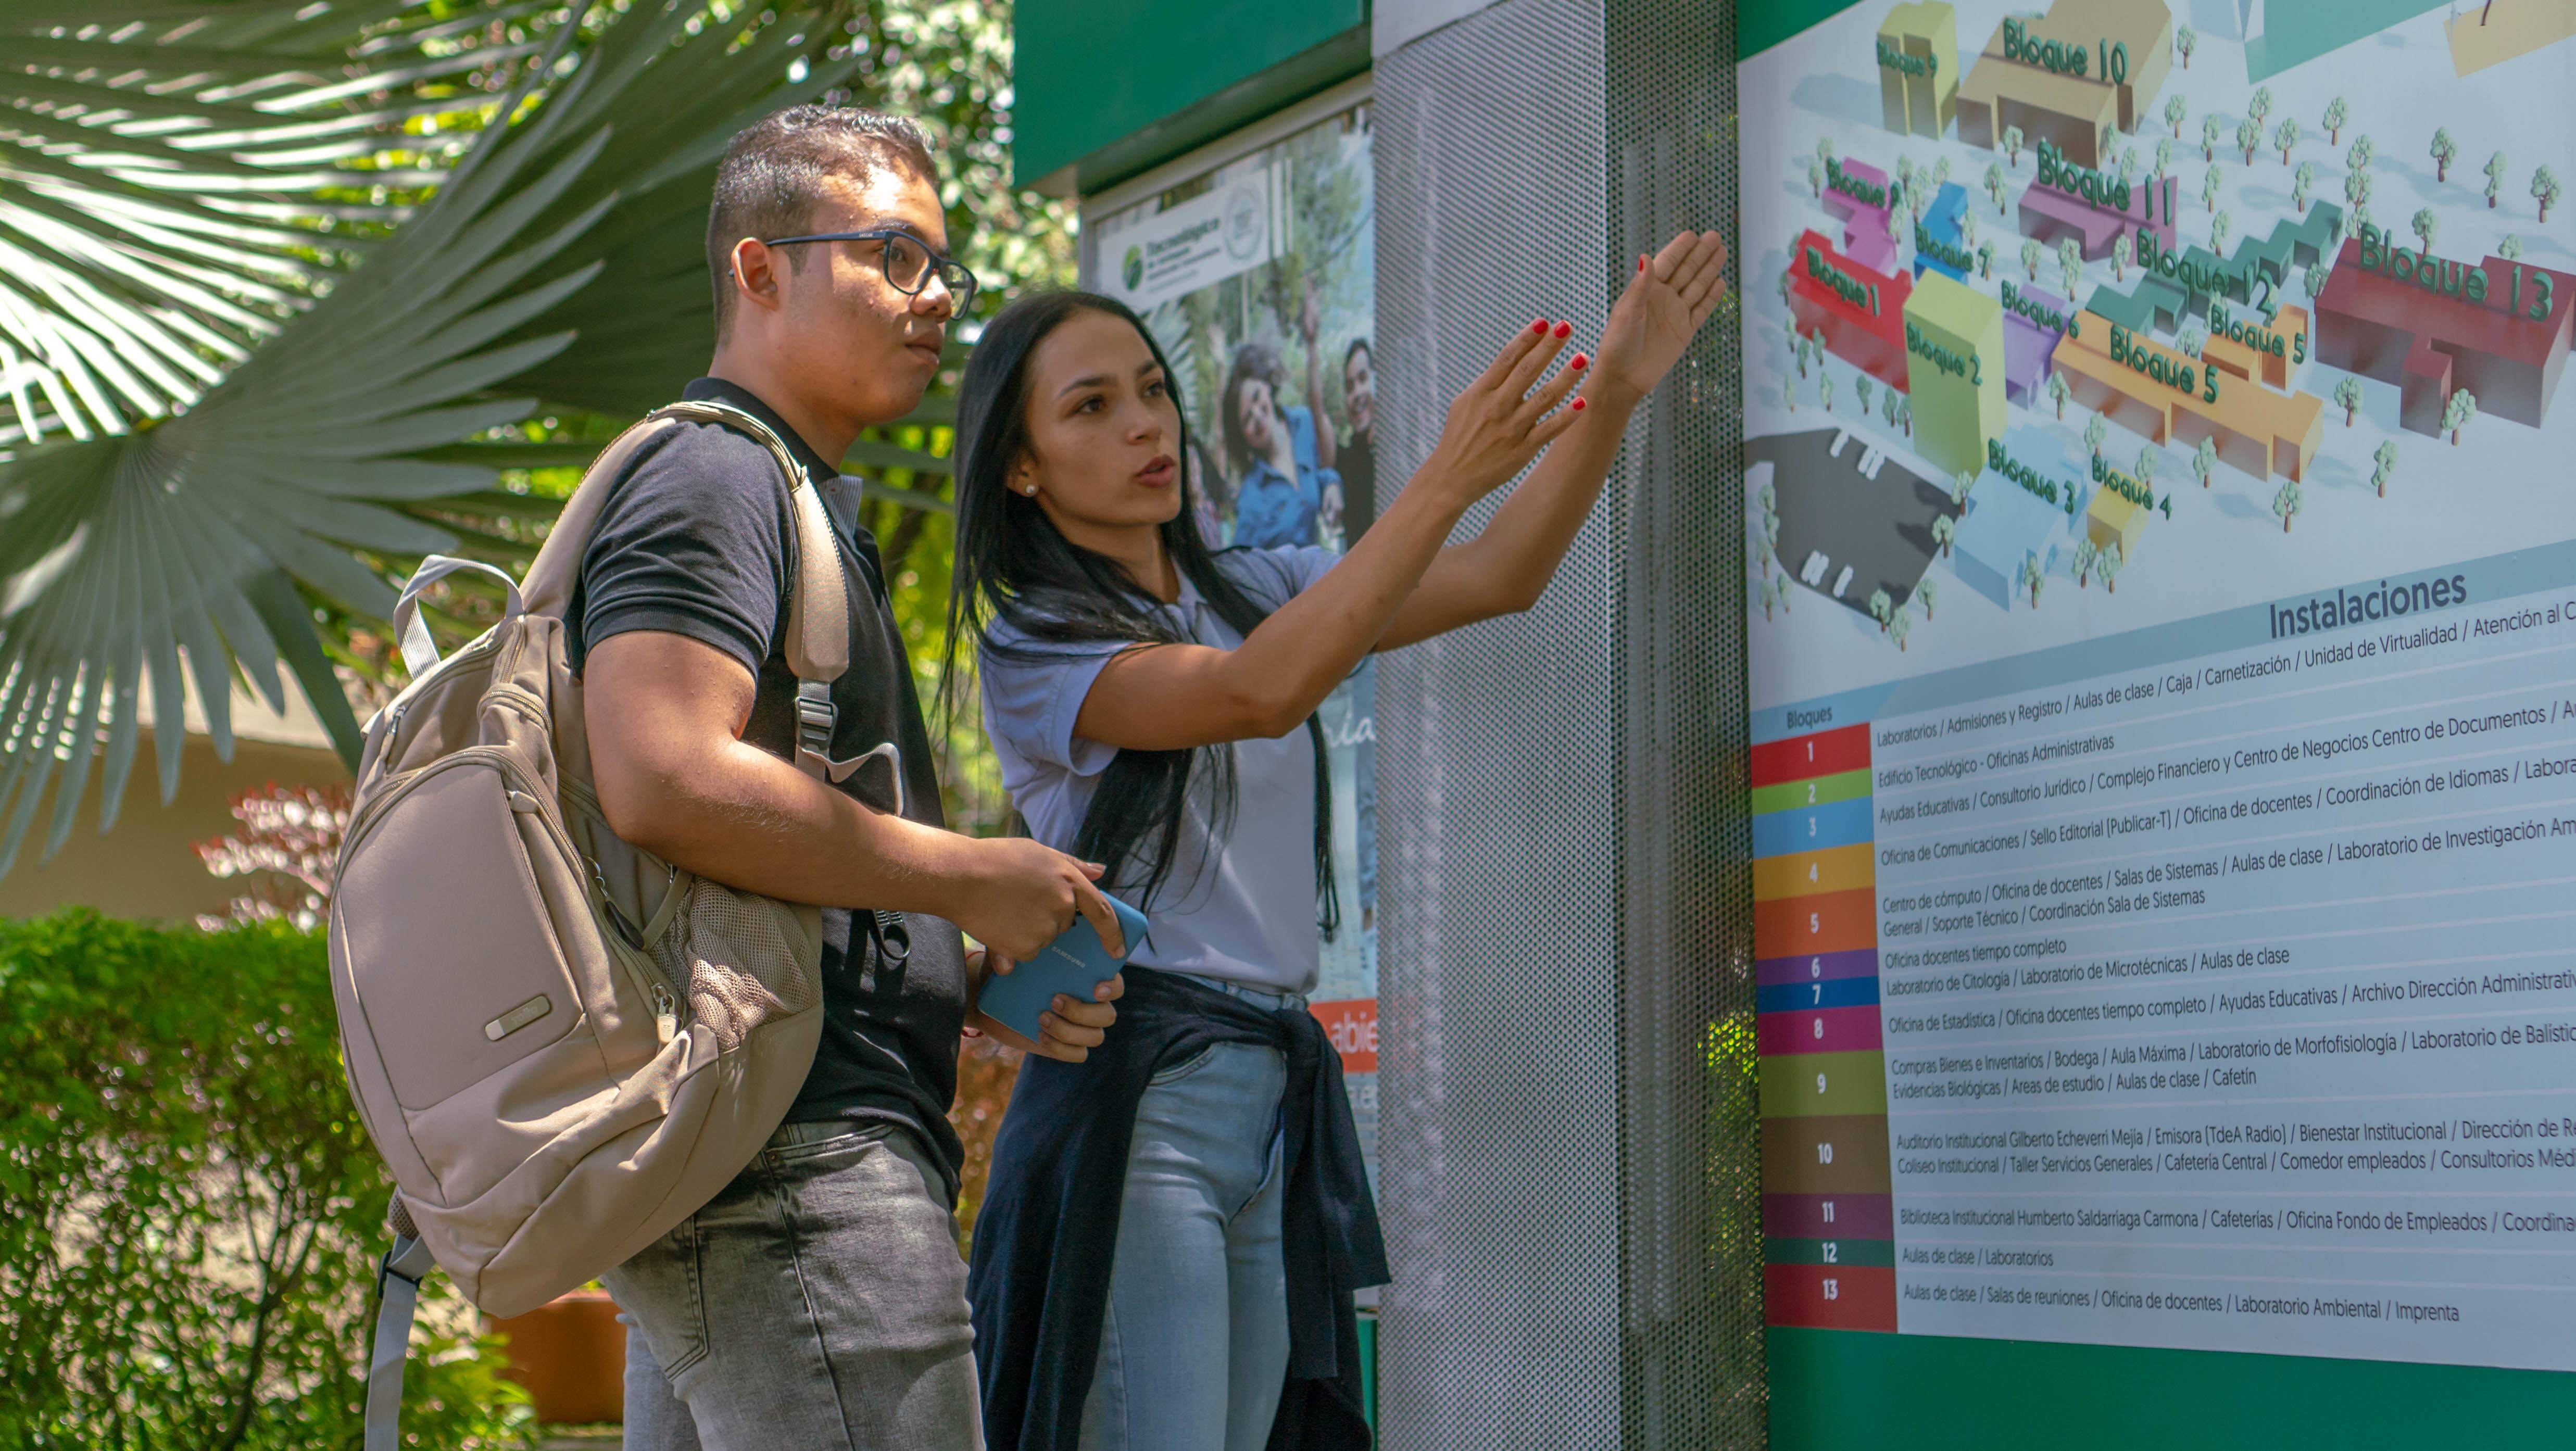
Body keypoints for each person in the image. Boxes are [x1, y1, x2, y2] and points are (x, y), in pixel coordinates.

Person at [949, 232, 1730, 1451]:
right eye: (1091, 408)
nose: (1144, 424)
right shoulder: (1036, 646)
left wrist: (1616, 393)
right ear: (1021, 469)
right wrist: (1442, 476)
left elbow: (1499, 575)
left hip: (1274, 1089)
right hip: (1140, 1099)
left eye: (1151, 389)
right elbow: (1257, 691)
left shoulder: (1259, 581)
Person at [574, 105, 1127, 1451]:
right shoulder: (713, 475)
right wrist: (968, 870)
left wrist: (961, 966)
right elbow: (657, 771)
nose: (934, 299)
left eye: (944, 267)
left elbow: (764, 832)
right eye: (892, 256)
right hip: (800, 1181)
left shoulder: (792, 500)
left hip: (761, 1171)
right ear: (757, 269)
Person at [1218, 340, 1341, 549]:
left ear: (1267, 386)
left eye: (1257, 397)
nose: (1257, 415)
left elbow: (1317, 475)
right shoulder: (1252, 496)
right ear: (1243, 437)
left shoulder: (1303, 423)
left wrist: (1332, 484)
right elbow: (1240, 565)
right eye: (1247, 418)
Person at [1335, 339, 1376, 539]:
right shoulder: (1348, 462)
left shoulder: (1401, 455)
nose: (1356, 394)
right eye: (1350, 387)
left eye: (1363, 379)